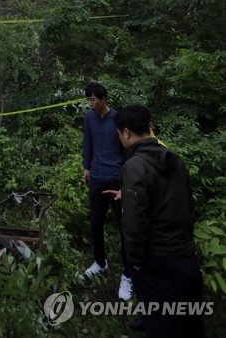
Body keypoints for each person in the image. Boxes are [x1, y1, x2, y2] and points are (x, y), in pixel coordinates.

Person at [107, 105, 206, 338]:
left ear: (127, 133)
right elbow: (184, 205)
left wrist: (137, 263)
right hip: (186, 260)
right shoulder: (173, 159)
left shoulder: (133, 167)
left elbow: (134, 225)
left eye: (119, 134)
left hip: (157, 267)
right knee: (191, 328)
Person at [82, 81, 133, 300]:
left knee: (124, 228)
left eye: (93, 99)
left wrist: (126, 180)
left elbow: (127, 150)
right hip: (97, 177)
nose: (89, 102)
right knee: (95, 222)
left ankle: (128, 275)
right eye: (87, 99)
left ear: (103, 99)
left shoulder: (118, 119)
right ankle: (100, 262)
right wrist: (87, 166)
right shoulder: (89, 117)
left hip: (116, 179)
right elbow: (88, 142)